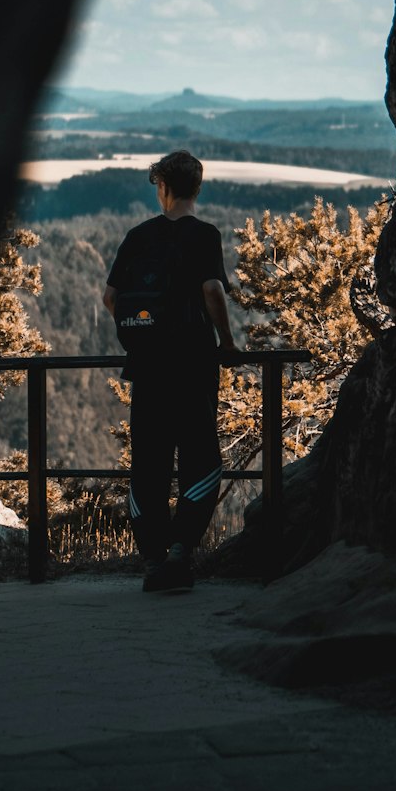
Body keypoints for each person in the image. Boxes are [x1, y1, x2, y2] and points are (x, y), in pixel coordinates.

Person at [102, 150, 239, 592]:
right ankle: (182, 551)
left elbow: (111, 297)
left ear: (163, 186)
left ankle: (152, 558)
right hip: (194, 366)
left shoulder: (139, 236)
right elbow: (213, 290)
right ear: (196, 188)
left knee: (149, 461)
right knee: (200, 455)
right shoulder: (205, 235)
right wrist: (227, 341)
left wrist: (143, 332)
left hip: (148, 368)